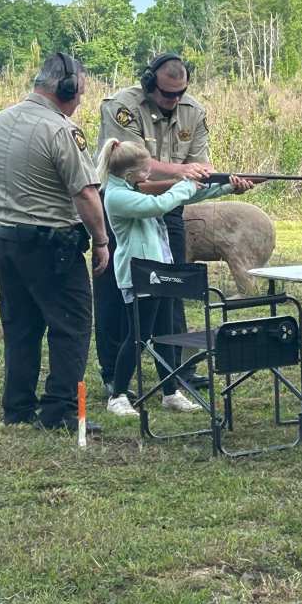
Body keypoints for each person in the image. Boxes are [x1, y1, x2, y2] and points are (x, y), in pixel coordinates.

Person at [0, 52, 109, 432]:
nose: (80, 100)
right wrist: (101, 240)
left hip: (5, 238)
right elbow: (85, 194)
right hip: (52, 243)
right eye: (80, 93)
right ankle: (60, 411)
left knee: (21, 326)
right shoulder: (60, 130)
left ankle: (18, 407)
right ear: (66, 89)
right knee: (72, 326)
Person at [97, 138, 254, 417]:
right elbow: (160, 205)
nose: (149, 176)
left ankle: (170, 392)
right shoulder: (117, 196)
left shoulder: (132, 187)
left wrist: (227, 186)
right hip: (140, 274)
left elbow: (184, 196)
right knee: (139, 336)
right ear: (131, 174)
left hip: (159, 270)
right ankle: (118, 395)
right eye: (145, 171)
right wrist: (185, 181)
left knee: (165, 333)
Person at [94, 53, 215, 396]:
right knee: (118, 293)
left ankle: (174, 372)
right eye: (166, 94)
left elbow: (199, 166)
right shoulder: (122, 106)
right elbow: (129, 169)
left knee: (171, 286)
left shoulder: (194, 110)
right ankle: (113, 376)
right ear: (149, 84)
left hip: (168, 207)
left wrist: (225, 182)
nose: (174, 101)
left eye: (180, 94)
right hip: (125, 204)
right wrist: (181, 176)